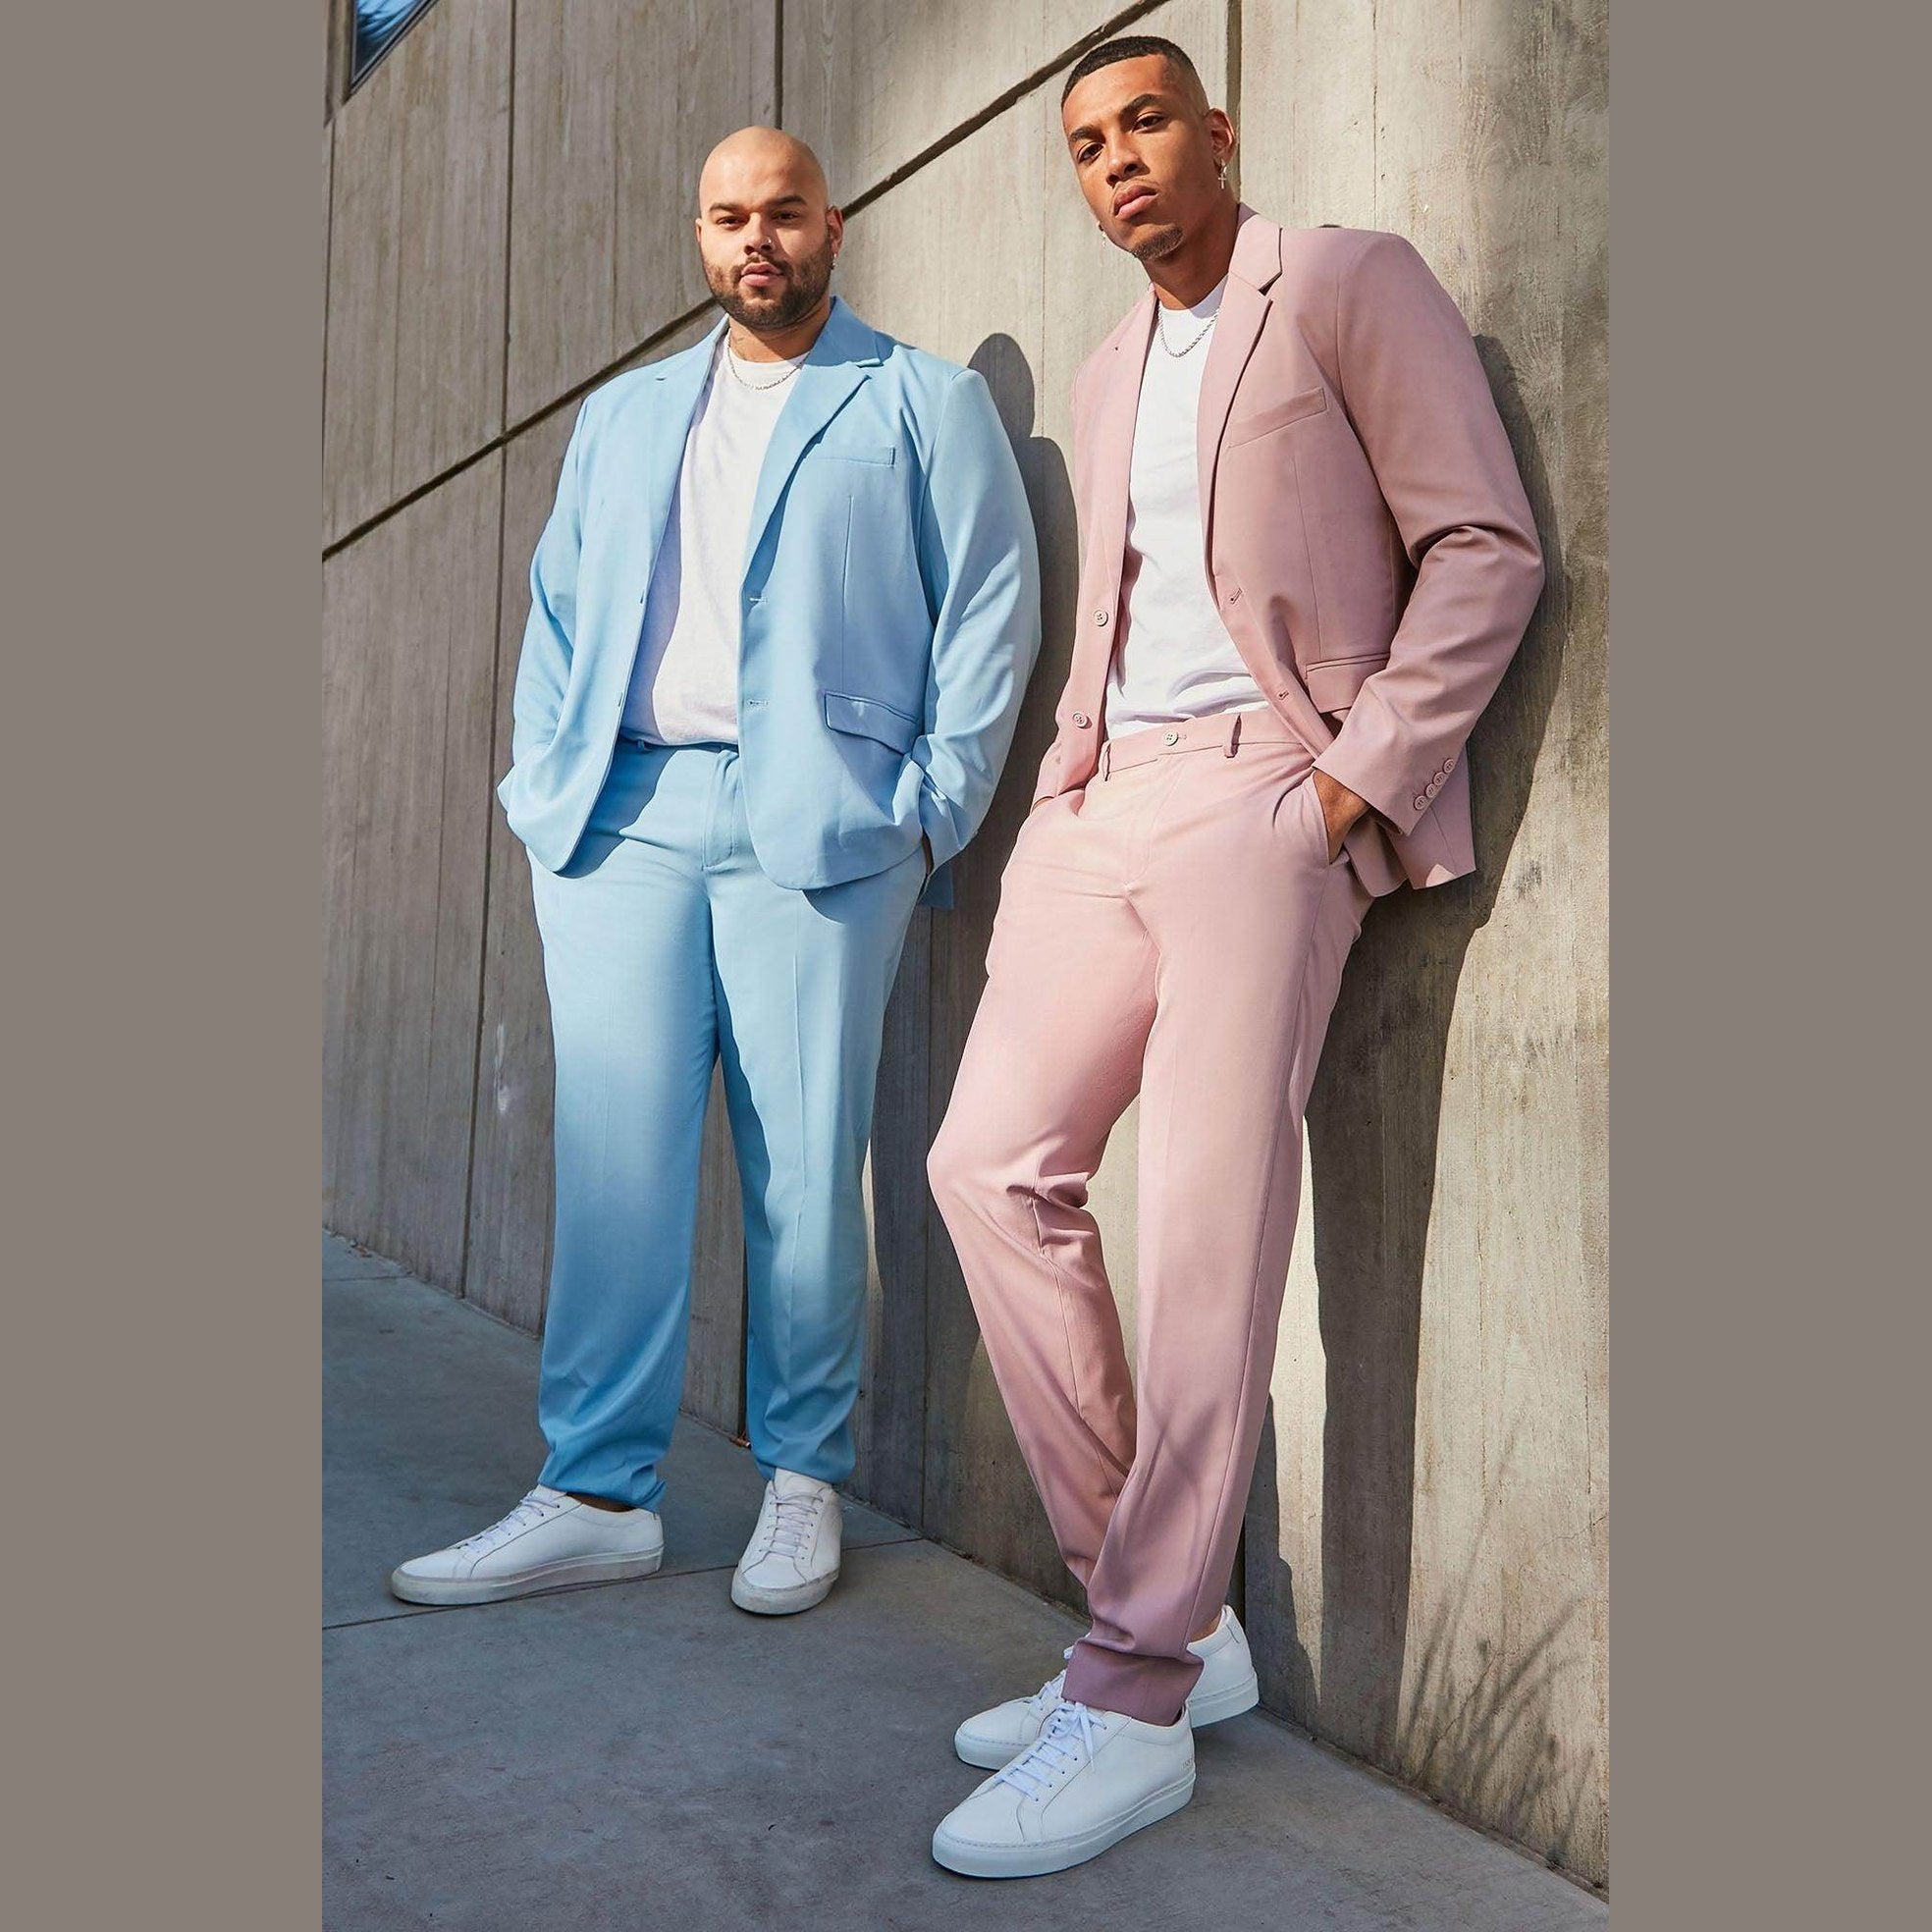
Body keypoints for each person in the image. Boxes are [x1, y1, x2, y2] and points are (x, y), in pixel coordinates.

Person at [925, 35, 1543, 1877]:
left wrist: (1352, 793)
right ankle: (1170, 1627)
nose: (1117, 161)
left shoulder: (1346, 282)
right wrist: (1055, 794)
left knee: (1207, 1222)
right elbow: (1111, 614)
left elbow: (1484, 547)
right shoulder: (1113, 366)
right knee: (985, 1169)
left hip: (1276, 796)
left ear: (1219, 133)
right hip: (1104, 808)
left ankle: (1127, 1692)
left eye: (1144, 125)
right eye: (1086, 143)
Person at [391, 129, 1040, 1620]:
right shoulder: (623, 417)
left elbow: (990, 612)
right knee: (614, 1161)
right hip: (620, 818)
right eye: (730, 217)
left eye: (786, 213)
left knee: (807, 1162)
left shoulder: (919, 401)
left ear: (834, 222)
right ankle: (594, 1491)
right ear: (700, 235)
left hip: (821, 824)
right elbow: (559, 610)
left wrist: (930, 810)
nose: (760, 239)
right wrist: (542, 783)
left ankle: (802, 1479)